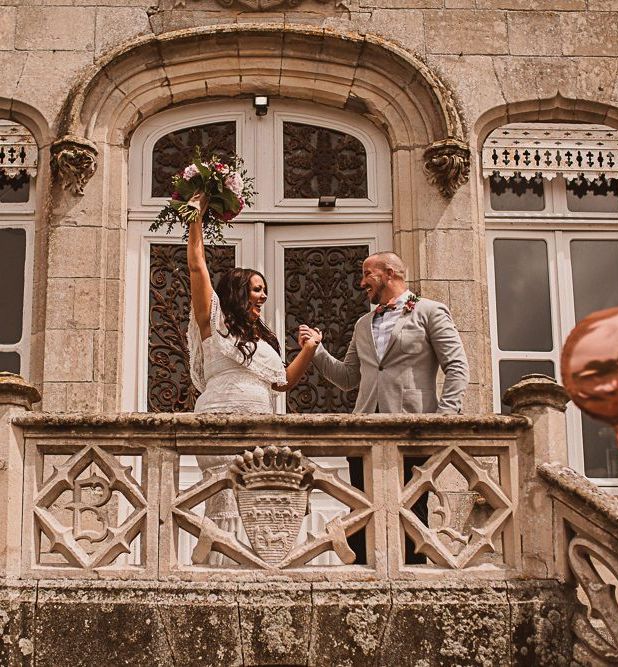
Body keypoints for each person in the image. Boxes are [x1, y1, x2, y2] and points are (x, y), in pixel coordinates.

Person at [299, 251, 469, 562]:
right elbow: (348, 378)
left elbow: (457, 367)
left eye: (367, 274)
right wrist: (317, 350)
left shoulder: (430, 312)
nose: (361, 282)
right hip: (363, 431)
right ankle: (362, 580)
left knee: (412, 514)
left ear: (389, 273)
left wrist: (443, 421)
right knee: (362, 510)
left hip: (412, 431)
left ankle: (414, 583)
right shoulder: (364, 324)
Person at [185, 193, 321, 562]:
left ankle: (261, 568)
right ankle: (220, 572)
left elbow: (282, 384)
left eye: (264, 291)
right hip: (219, 419)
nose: (262, 296)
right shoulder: (213, 322)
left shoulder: (263, 339)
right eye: (256, 289)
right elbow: (198, 269)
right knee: (225, 497)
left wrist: (308, 351)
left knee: (260, 499)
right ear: (237, 291)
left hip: (262, 421)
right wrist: (194, 219)